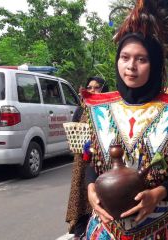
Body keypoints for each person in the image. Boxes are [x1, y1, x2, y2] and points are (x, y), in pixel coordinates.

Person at [82, 32, 168, 239]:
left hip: (158, 226)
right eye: (125, 57)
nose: (131, 66)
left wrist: (157, 194)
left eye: (141, 59)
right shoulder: (99, 108)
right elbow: (92, 161)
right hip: (105, 228)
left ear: (154, 65)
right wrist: (91, 190)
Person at [65, 77, 108, 240]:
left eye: (96, 88)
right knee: (81, 195)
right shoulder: (81, 108)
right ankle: (79, 231)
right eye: (89, 87)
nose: (92, 91)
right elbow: (74, 129)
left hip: (99, 161)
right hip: (81, 161)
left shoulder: (106, 109)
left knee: (99, 195)